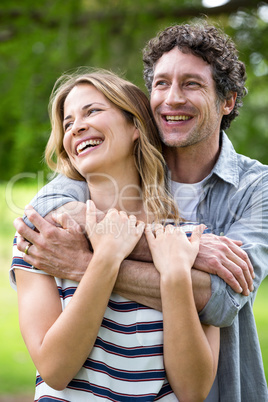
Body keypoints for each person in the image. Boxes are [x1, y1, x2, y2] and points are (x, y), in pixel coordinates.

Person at [13, 21, 268, 401]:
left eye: (192, 84)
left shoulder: (256, 188)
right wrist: (182, 253)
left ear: (227, 100)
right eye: (161, 84)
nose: (172, 98)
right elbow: (49, 209)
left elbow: (220, 298)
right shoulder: (100, 169)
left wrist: (90, 263)